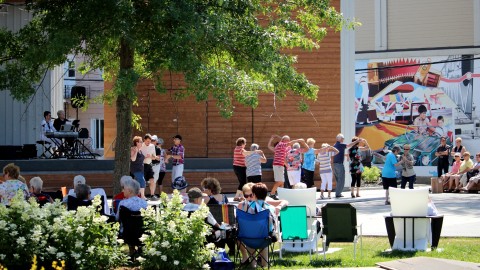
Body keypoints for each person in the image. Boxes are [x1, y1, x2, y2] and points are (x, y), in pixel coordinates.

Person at [267, 135, 302, 199]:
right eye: (288, 140)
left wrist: (286, 165)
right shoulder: (281, 144)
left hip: (280, 165)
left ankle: (281, 195)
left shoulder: (280, 146)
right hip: (278, 165)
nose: (289, 142)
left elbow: (283, 157)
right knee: (280, 181)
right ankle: (272, 193)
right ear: (284, 141)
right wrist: (298, 140)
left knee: (282, 182)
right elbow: (288, 143)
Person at [332, 133, 361, 198]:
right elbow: (349, 145)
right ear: (340, 139)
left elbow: (339, 153)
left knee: (338, 179)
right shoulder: (340, 145)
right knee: (341, 179)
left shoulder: (335, 145)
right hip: (339, 164)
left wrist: (346, 155)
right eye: (342, 138)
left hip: (335, 164)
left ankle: (338, 192)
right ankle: (338, 194)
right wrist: (356, 141)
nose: (343, 139)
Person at [141, 134, 157, 200]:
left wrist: (150, 156)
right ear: (144, 140)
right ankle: (143, 196)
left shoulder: (152, 146)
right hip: (142, 165)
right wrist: (144, 157)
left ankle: (152, 195)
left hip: (149, 164)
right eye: (147, 141)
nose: (148, 143)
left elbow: (154, 157)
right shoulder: (141, 145)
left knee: (152, 180)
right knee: (143, 181)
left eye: (149, 141)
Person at [233, 137, 247, 201]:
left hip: (235, 167)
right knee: (243, 182)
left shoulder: (236, 148)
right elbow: (247, 154)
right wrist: (255, 152)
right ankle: (236, 196)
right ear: (242, 143)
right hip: (241, 167)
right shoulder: (241, 149)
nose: (245, 144)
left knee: (241, 182)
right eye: (245, 143)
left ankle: (242, 197)